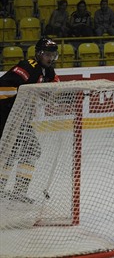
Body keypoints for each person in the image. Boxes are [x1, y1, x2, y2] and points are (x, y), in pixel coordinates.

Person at [0, 37, 60, 203]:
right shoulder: (27, 67)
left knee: (31, 150)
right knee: (8, 152)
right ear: (38, 54)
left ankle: (18, 191)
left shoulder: (48, 71)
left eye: (53, 55)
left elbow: (52, 88)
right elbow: (3, 87)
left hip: (20, 120)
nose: (51, 58)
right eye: (48, 54)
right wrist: (14, 105)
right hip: (5, 117)